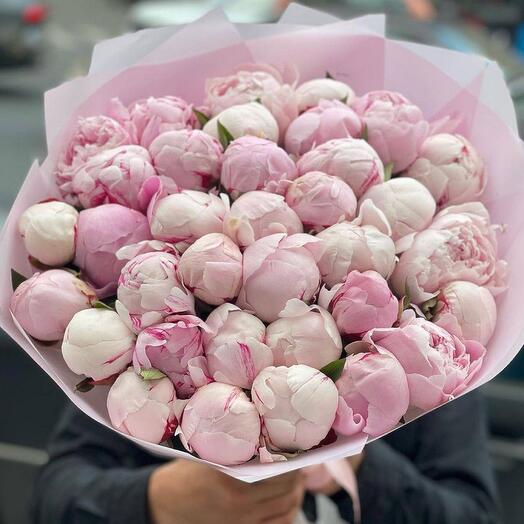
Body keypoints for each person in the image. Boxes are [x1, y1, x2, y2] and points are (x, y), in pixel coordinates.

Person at [32, 390, 500, 524]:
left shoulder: (431, 370)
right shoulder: (140, 367)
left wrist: (356, 465)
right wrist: (158, 501)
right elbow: (52, 497)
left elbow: (472, 513)